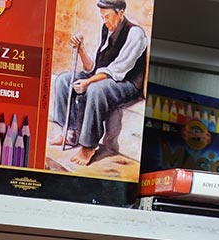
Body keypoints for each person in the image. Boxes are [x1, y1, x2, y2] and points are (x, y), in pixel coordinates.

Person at [49, 0, 147, 166]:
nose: (105, 21)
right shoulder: (105, 30)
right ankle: (71, 132)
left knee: (96, 89)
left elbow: (117, 70)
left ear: (120, 13)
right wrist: (81, 49)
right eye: (102, 17)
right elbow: (93, 67)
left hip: (126, 83)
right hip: (102, 78)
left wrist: (88, 82)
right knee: (63, 80)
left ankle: (88, 146)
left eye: (107, 16)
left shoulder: (135, 34)